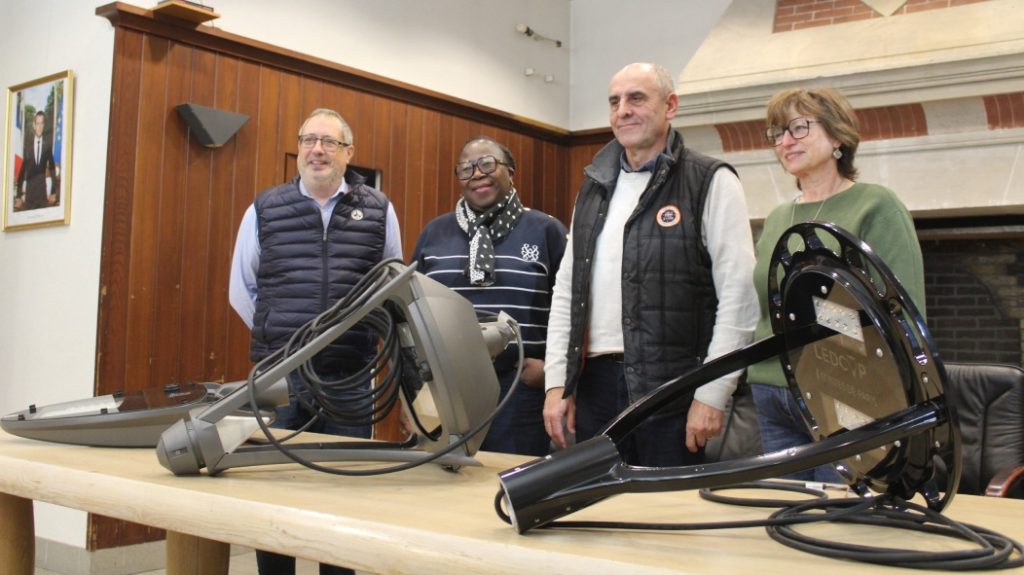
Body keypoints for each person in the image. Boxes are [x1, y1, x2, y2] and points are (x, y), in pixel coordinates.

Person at [542, 62, 759, 467]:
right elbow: (567, 291)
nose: (623, 110)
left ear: (670, 106)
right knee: (599, 519)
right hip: (594, 392)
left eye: (636, 98)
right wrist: (557, 383)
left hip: (675, 393)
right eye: (614, 101)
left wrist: (711, 393)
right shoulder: (592, 188)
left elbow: (739, 294)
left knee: (668, 522)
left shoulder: (711, 181)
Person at [228, 107, 402, 575]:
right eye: (308, 140)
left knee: (343, 498)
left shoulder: (379, 210)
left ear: (349, 153)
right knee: (274, 493)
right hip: (279, 380)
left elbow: (390, 288)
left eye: (328, 142)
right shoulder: (264, 208)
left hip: (349, 379)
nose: (317, 150)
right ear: (299, 149)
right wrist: (285, 343)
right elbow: (242, 290)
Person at [748, 87, 926, 483]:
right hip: (773, 390)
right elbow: (764, 309)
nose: (785, 141)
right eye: (777, 133)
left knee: (837, 521)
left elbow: (901, 313)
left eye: (798, 127)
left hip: (845, 389)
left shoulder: (876, 205)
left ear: (838, 136)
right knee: (783, 518)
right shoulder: (778, 216)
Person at [411, 136, 567, 456]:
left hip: (520, 390)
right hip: (445, 390)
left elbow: (571, 310)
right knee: (440, 491)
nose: (477, 174)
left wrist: (551, 374)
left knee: (512, 489)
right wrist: (414, 388)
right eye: (466, 168)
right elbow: (411, 313)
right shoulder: (433, 234)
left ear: (512, 172)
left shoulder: (546, 230)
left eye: (487, 164)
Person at [15, 111, 56, 210]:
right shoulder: (27, 145)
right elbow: (22, 170)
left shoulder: (47, 145)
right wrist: (18, 195)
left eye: (42, 123)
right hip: (29, 195)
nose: (40, 127)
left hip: (42, 193)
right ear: (34, 125)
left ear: (44, 125)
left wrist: (53, 191)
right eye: (38, 123)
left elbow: (52, 168)